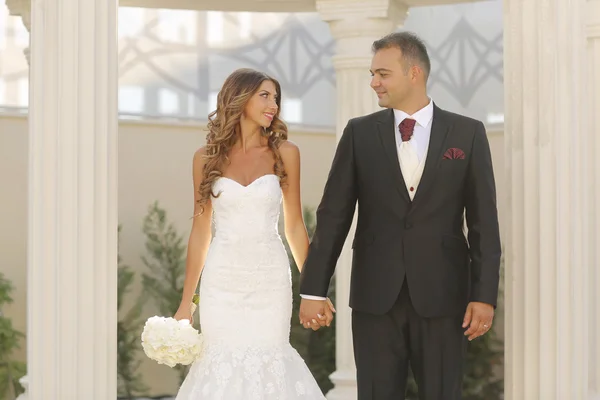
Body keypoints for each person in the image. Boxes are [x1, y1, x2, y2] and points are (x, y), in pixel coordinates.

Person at [298, 31, 502, 400]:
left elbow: (484, 223)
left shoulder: (467, 133)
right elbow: (333, 216)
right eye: (372, 74)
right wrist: (314, 289)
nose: (374, 82)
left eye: (382, 73)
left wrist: (484, 295)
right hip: (375, 296)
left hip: (444, 295)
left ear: (414, 73)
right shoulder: (359, 133)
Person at [173, 68, 334, 399]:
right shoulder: (204, 159)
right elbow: (200, 233)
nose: (273, 104)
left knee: (270, 357)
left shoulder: (285, 153)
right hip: (222, 282)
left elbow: (293, 226)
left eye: (276, 97)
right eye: (265, 95)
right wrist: (187, 303)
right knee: (219, 362)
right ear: (239, 98)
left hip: (269, 280)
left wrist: (314, 289)